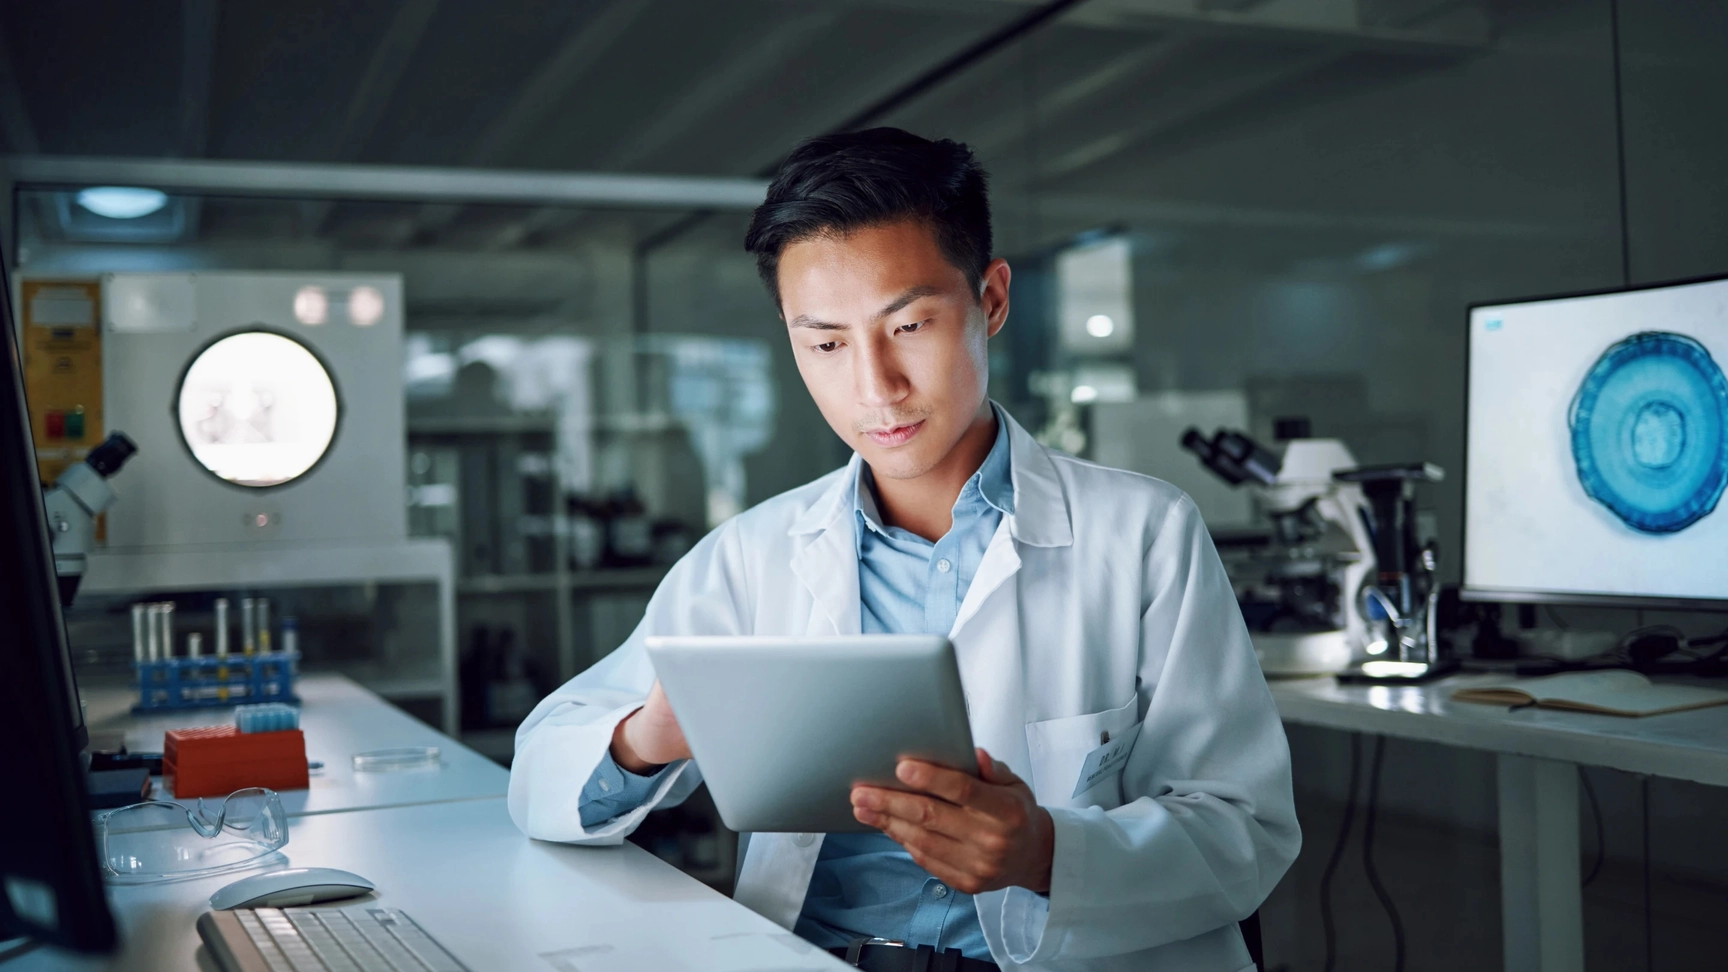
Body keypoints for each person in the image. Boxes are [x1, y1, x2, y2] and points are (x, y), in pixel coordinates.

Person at [508, 127, 1299, 972]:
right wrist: (650, 735)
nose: (874, 387)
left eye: (910, 324)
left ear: (991, 299)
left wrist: (1047, 855)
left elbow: (1243, 825)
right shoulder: (752, 557)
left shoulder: (1144, 534)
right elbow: (541, 776)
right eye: (826, 344)